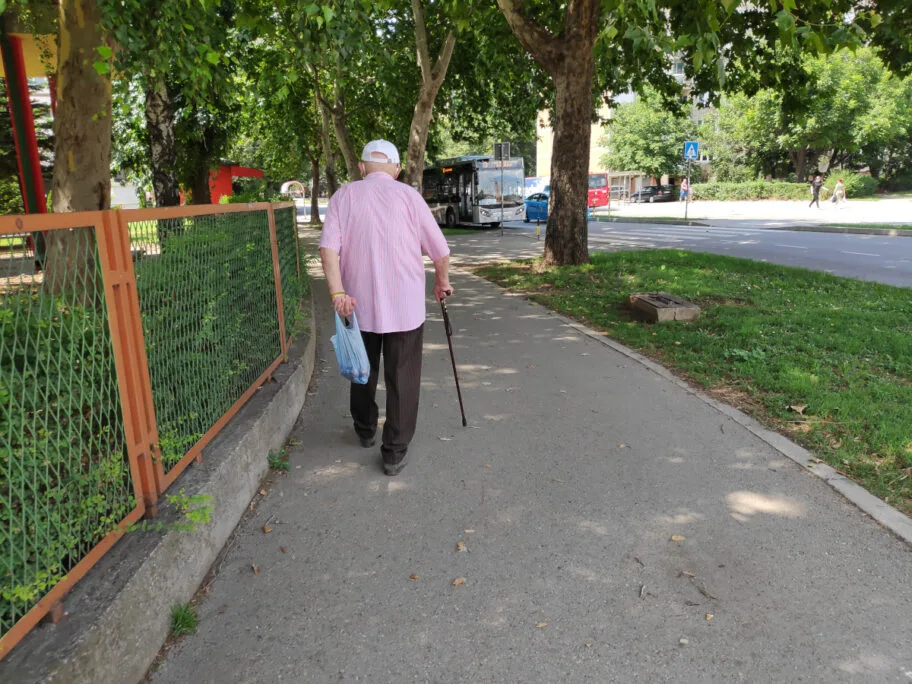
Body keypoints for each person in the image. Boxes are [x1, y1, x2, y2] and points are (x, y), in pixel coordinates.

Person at [319, 139, 452, 476]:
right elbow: (440, 250)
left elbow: (327, 250)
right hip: (405, 308)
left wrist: (337, 293)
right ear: (395, 169)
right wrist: (441, 282)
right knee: (403, 377)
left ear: (362, 167)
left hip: (356, 306)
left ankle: (365, 429)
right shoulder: (410, 197)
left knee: (363, 370)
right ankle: (393, 452)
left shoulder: (343, 197)